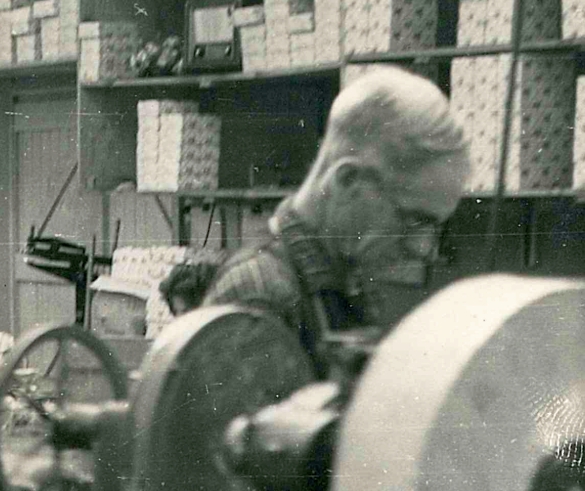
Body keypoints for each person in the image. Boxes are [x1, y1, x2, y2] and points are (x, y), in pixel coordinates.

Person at [200, 66, 469, 375]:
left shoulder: (347, 279)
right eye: (413, 220)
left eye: (435, 228)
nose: (424, 249)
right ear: (347, 181)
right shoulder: (257, 296)